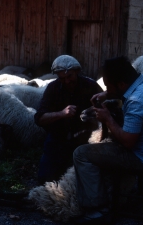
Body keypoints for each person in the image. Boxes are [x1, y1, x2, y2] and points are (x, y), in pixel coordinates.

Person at [72, 56, 143, 224]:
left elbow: (128, 142)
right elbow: (125, 90)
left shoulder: (136, 102)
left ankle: (97, 211)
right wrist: (106, 94)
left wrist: (108, 119)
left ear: (121, 85)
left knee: (81, 154)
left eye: (109, 86)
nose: (107, 89)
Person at [34, 55, 103, 184]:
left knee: (81, 180)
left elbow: (105, 110)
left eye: (69, 76)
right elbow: (39, 119)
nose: (66, 81)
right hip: (58, 138)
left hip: (84, 139)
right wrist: (61, 114)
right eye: (62, 78)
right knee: (45, 181)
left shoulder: (90, 86)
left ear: (77, 71)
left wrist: (94, 115)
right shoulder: (53, 88)